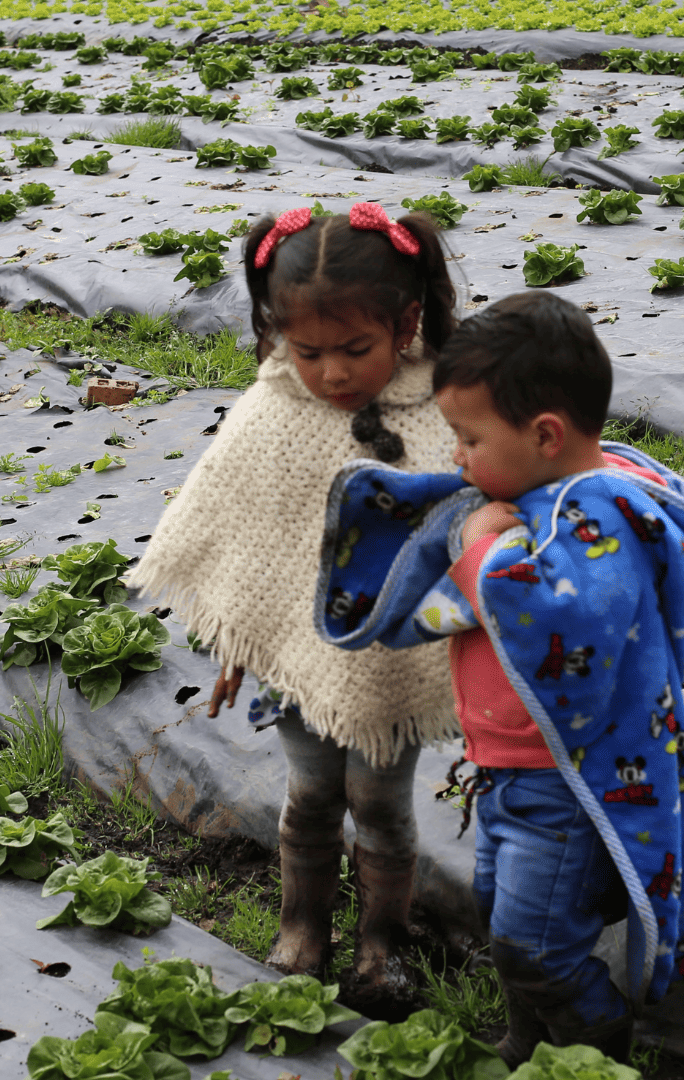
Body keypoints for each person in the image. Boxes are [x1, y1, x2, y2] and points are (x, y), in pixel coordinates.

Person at [312, 290, 684, 1062]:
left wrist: (480, 551)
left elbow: (563, 617)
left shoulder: (596, 512)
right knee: (505, 915)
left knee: (534, 942)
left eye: (469, 438)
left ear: (545, 434)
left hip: (564, 784)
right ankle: (529, 1040)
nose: (457, 459)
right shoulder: (538, 497)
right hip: (505, 770)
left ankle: (598, 1053)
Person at [127, 203, 460, 999]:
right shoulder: (272, 411)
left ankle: (384, 942)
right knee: (311, 794)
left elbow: (471, 527)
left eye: (356, 350)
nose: (334, 374)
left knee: (380, 804)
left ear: (406, 323)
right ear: (275, 330)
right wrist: (241, 640)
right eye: (308, 351)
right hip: (298, 667)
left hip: (397, 661)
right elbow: (249, 537)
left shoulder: (449, 409)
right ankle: (302, 923)